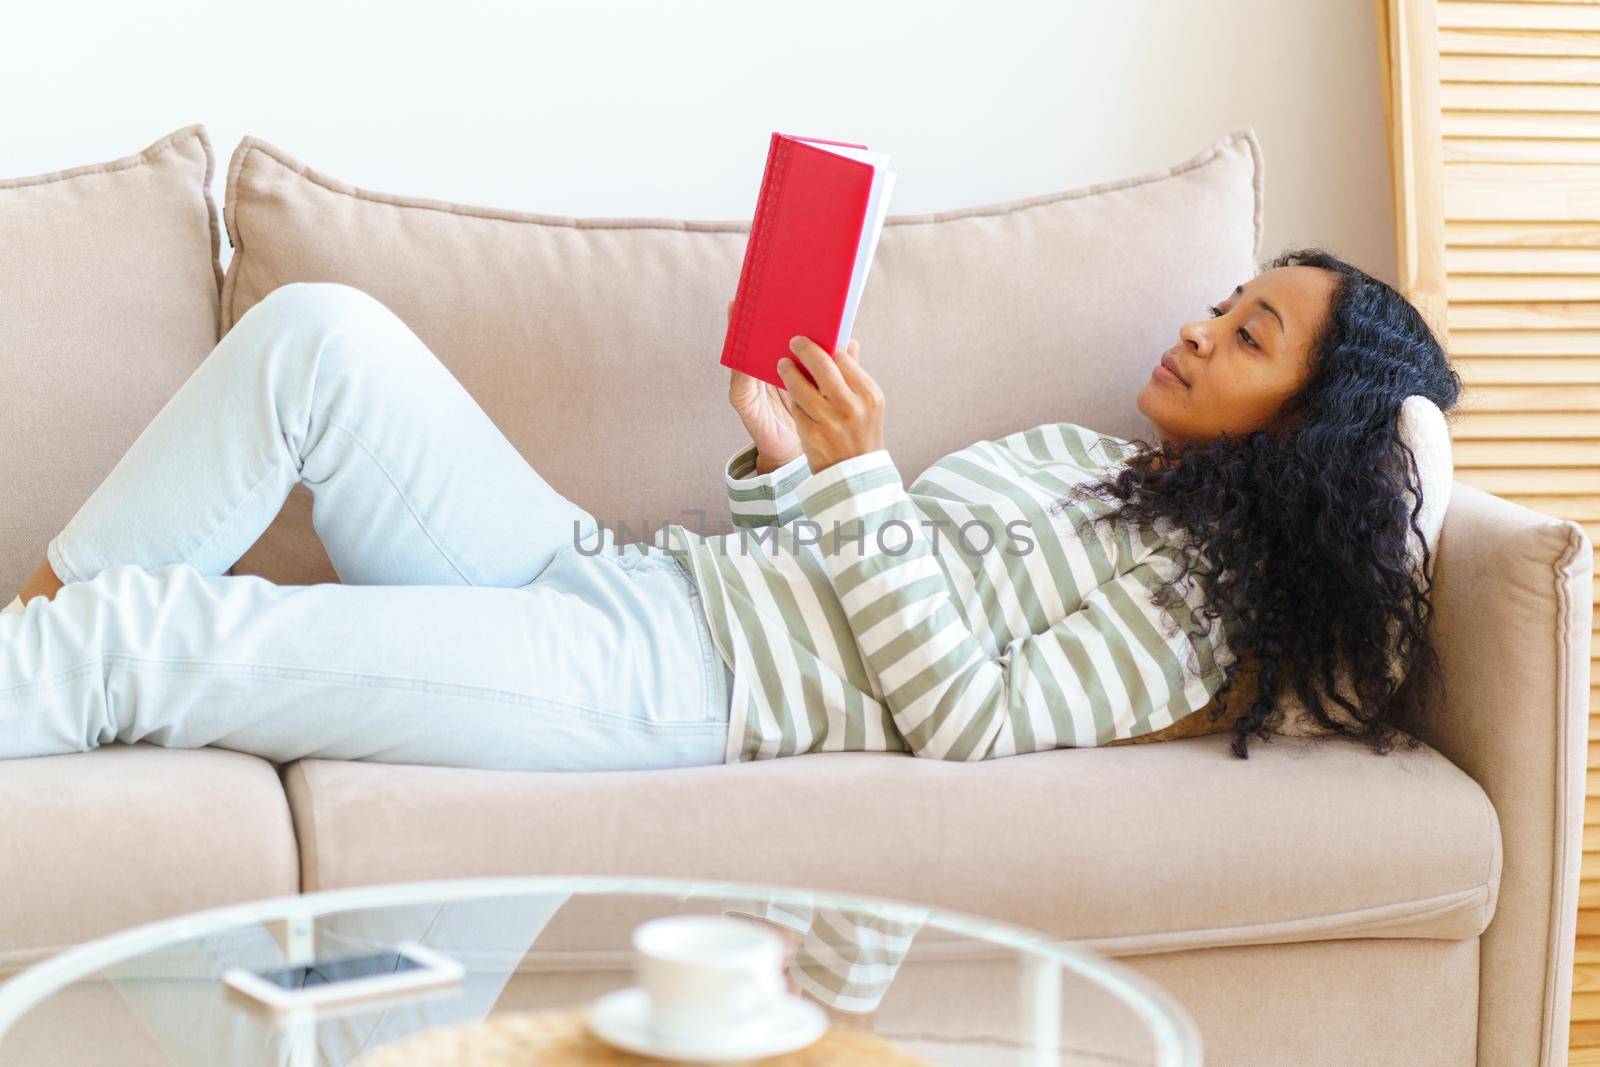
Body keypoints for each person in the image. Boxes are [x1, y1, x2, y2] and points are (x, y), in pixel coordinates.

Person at [0, 247, 1458, 771]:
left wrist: (867, 481)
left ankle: (52, 665)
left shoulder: (1192, 612)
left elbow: (962, 718)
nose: (1203, 330)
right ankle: (35, 651)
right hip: (630, 579)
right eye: (1225, 302)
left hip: (671, 688)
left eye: (1252, 334)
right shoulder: (1069, 457)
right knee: (319, 335)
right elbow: (842, 576)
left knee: (171, 638)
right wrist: (787, 472)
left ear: (1307, 437)